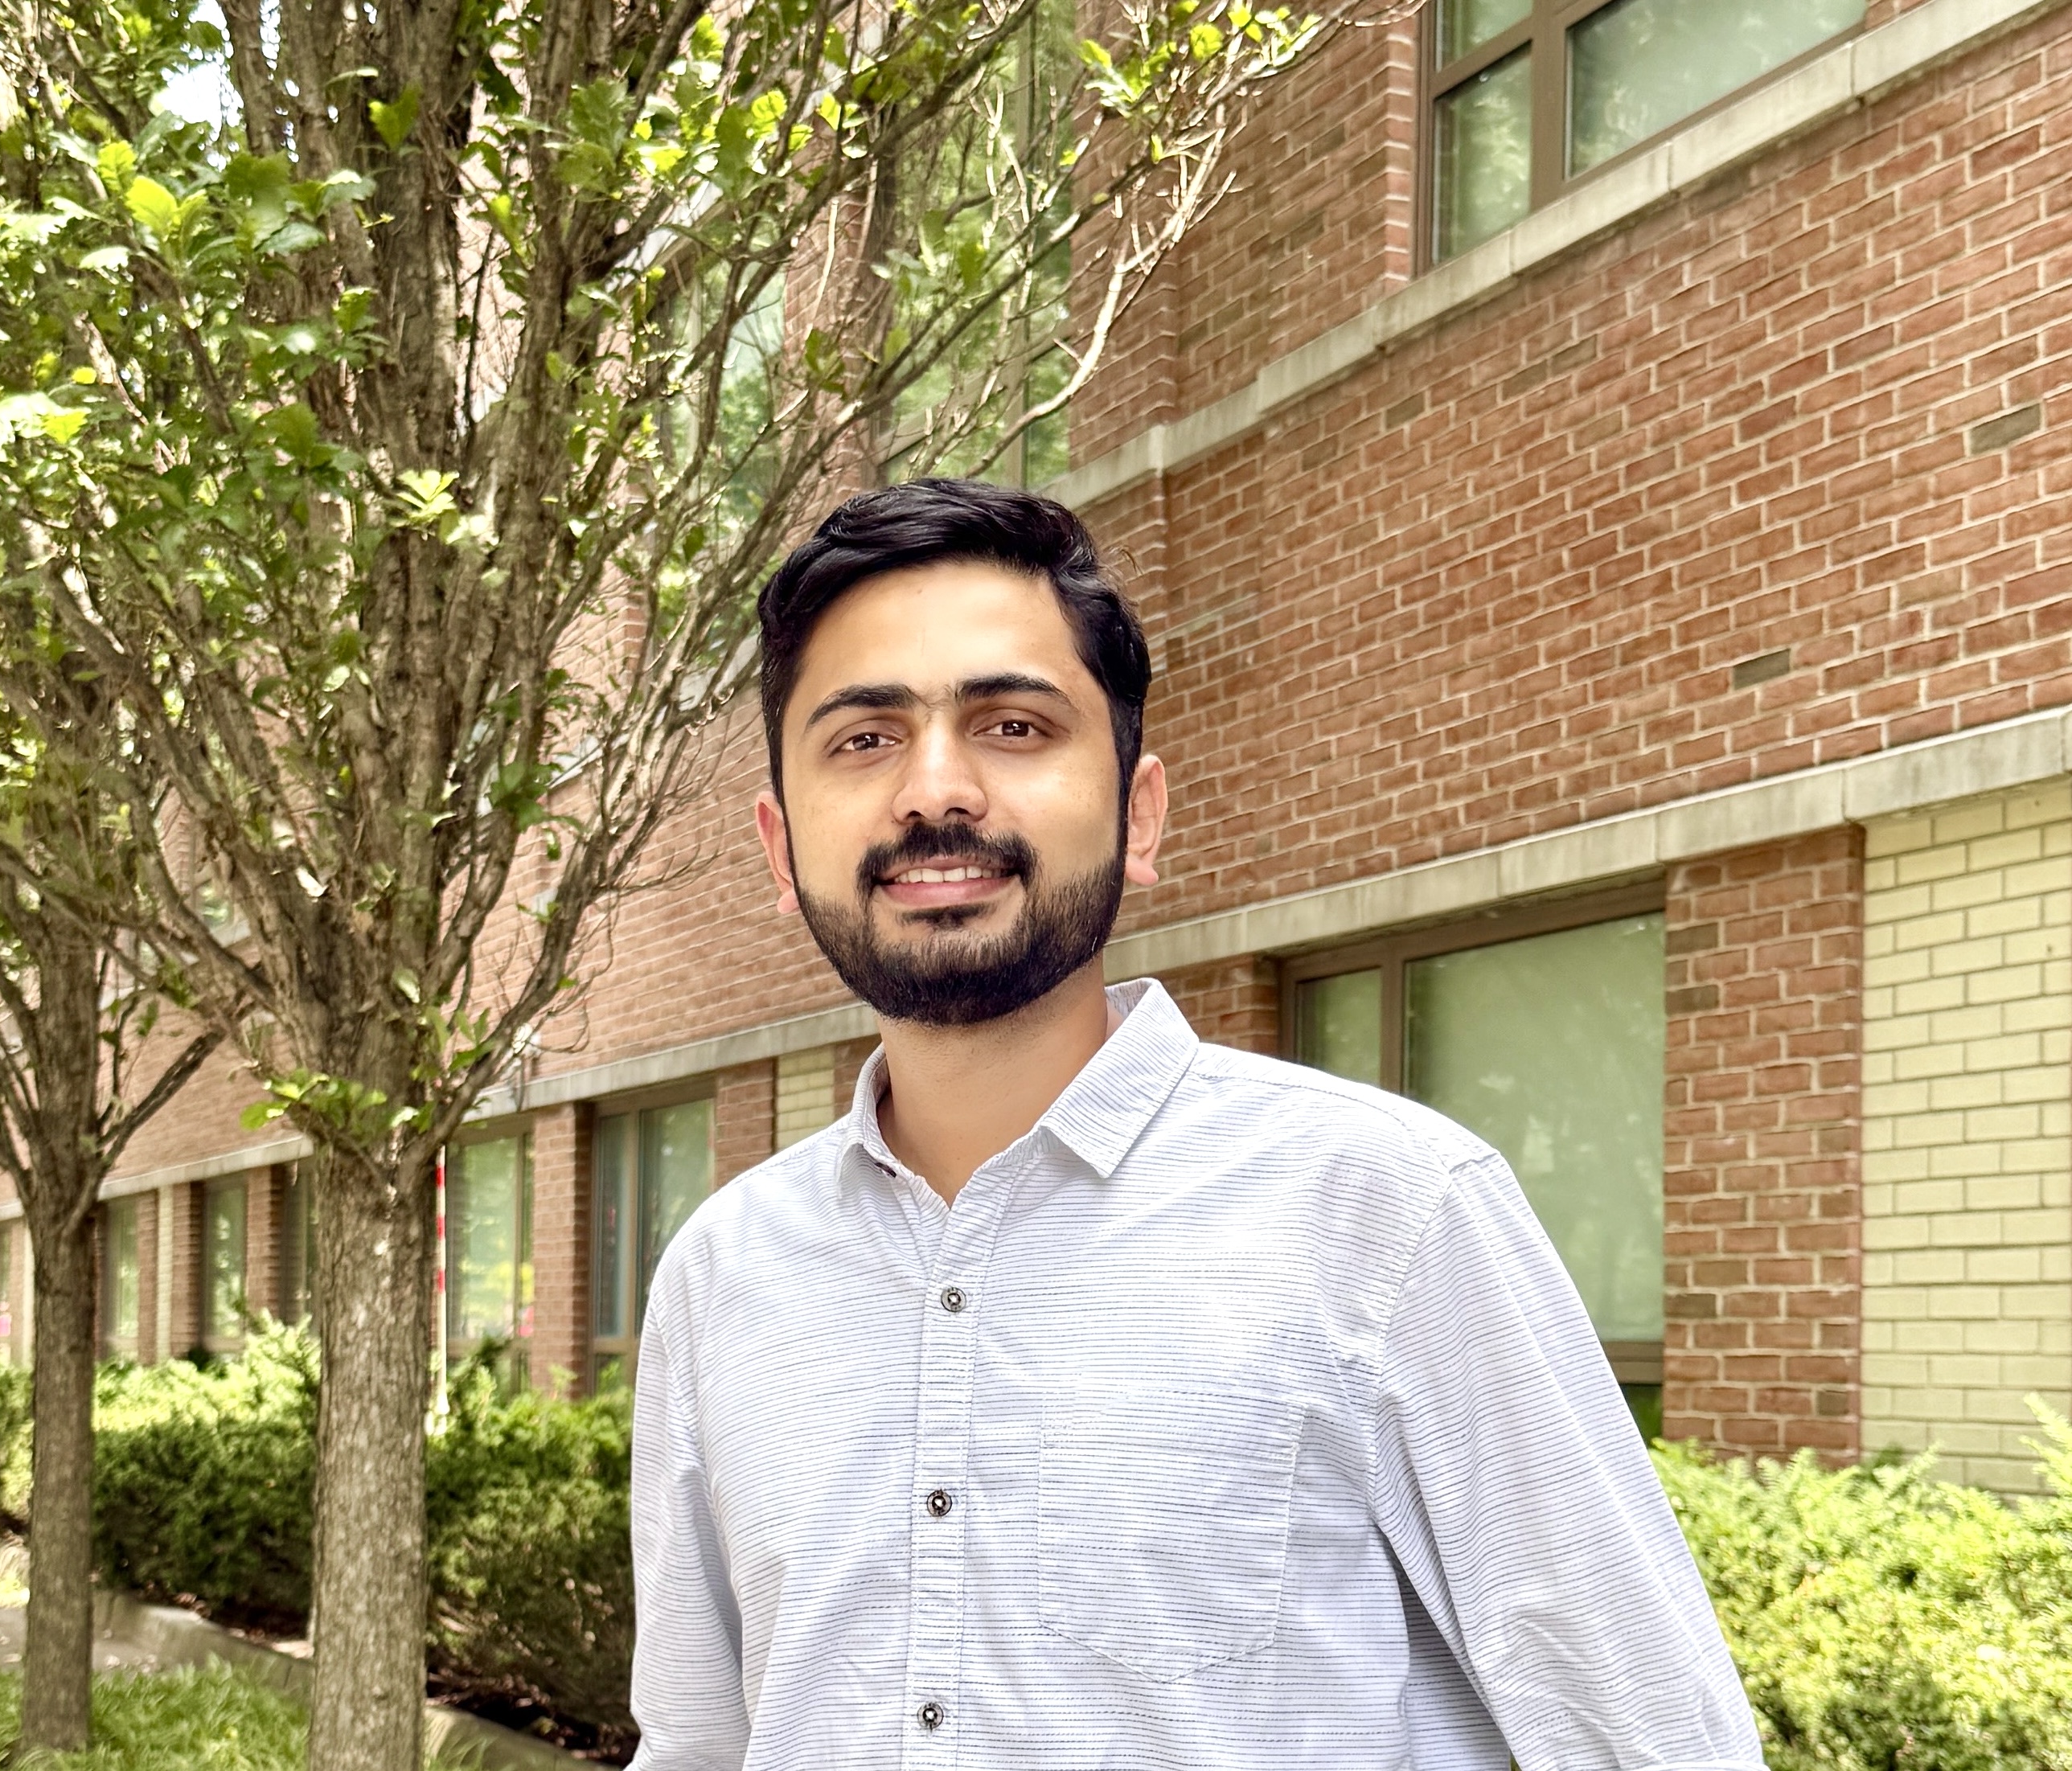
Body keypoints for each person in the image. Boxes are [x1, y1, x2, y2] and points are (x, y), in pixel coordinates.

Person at [628, 478, 1762, 1770]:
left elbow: (1651, 1742)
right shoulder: (723, 1277)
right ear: (781, 849)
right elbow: (698, 1748)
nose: (935, 793)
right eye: (864, 739)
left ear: (1142, 812)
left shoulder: (1387, 1209)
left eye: (1010, 724)